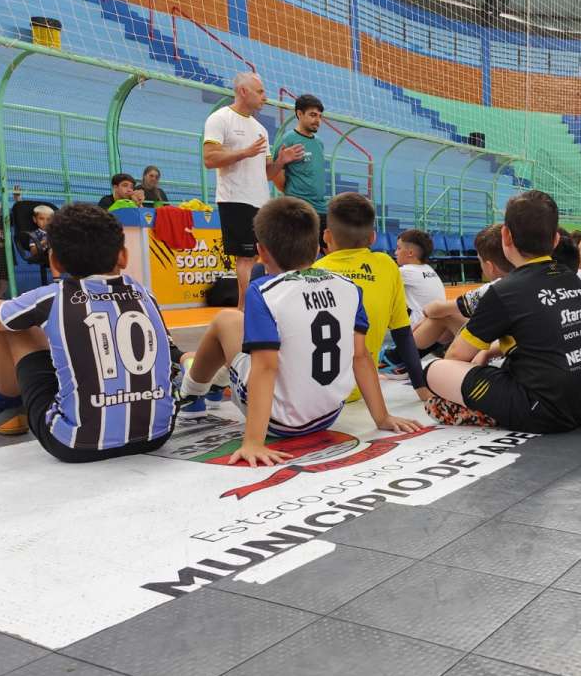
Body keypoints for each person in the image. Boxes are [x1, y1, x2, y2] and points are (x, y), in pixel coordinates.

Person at [176, 197, 420, 466]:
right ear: (317, 248)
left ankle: (191, 392)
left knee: (226, 320)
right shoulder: (349, 287)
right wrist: (382, 418)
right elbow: (360, 356)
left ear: (261, 251)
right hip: (329, 414)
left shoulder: (264, 292)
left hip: (280, 422)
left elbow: (266, 368)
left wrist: (253, 442)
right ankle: (217, 380)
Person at [0, 203, 176, 459]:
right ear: (123, 256)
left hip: (75, 444)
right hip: (156, 435)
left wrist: (2, 304)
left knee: (13, 327)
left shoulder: (52, 298)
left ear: (55, 261)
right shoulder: (145, 294)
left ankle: (3, 409)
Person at [424, 190, 581, 431]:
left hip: (548, 412)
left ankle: (486, 412)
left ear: (506, 236)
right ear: (555, 240)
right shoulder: (573, 279)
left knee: (434, 370)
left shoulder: (505, 291)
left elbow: (455, 358)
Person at [312, 192, 428, 398]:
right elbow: (403, 334)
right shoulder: (386, 265)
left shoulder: (314, 270)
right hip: (360, 390)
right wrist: (420, 387)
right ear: (373, 237)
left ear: (326, 236)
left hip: (316, 394)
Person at [203, 72, 303, 309]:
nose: (265, 97)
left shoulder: (260, 128)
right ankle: (244, 308)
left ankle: (265, 302)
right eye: (260, 92)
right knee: (246, 256)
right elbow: (209, 158)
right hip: (235, 199)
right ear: (243, 91)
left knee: (266, 254)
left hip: (261, 201)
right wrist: (243, 153)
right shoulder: (220, 119)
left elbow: (266, 173)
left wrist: (281, 162)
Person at [404, 224, 513, 361]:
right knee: (450, 313)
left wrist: (426, 313)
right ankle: (406, 356)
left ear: (490, 267)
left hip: (500, 350)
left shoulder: (494, 289)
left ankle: (400, 357)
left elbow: (437, 309)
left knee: (445, 315)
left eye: (480, 261)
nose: (396, 252)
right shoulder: (530, 278)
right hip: (512, 346)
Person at [272, 94, 328, 218]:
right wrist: (294, 196)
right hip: (298, 209)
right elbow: (276, 174)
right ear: (299, 114)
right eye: (313, 115)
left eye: (320, 116)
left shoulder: (319, 142)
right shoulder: (288, 139)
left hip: (321, 208)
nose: (317, 120)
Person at [395, 228, 445, 327]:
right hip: (437, 328)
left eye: (399, 248)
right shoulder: (429, 269)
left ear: (410, 253)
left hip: (419, 330)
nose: (396, 252)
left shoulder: (406, 271)